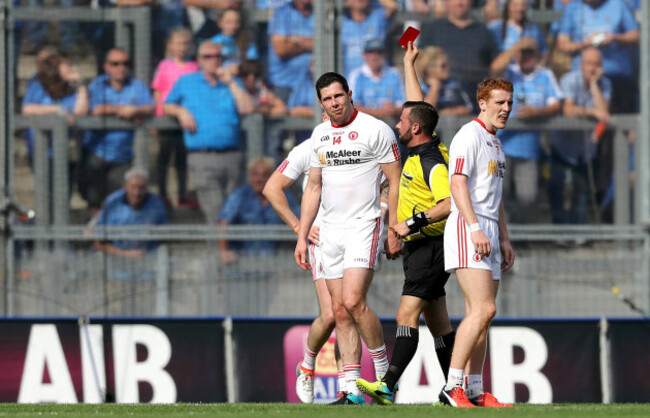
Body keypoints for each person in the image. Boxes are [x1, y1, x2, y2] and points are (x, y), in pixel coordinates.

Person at [356, 41, 456, 405]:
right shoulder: (419, 144)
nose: (396, 124)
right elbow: (417, 108)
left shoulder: (432, 161)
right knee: (439, 323)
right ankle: (457, 389)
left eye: (401, 121)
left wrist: (408, 225)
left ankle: (387, 384)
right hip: (422, 246)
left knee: (406, 313)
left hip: (431, 244)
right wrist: (408, 64)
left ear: (414, 128)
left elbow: (449, 202)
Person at [294, 72, 403, 405]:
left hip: (363, 225)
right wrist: (301, 236)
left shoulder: (376, 130)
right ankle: (352, 389)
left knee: (354, 301)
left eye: (338, 96)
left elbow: (395, 182)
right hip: (329, 232)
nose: (334, 103)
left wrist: (394, 227)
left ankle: (385, 377)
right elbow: (313, 186)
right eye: (327, 99)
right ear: (321, 103)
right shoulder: (320, 135)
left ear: (350, 94)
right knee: (340, 311)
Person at [438, 77, 515, 408]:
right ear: (482, 103)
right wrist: (474, 228)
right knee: (484, 308)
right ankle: (452, 386)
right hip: (469, 227)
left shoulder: (496, 144)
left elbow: (496, 199)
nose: (506, 109)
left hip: (490, 231)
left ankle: (474, 389)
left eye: (509, 103)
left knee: (482, 315)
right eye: (499, 102)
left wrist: (505, 238)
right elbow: (457, 185)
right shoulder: (468, 135)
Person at [262, 127, 344, 403]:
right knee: (333, 313)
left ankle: (348, 388)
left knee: (349, 311)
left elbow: (383, 184)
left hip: (354, 236)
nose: (334, 109)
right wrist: (300, 227)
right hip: (322, 239)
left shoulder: (361, 141)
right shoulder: (307, 149)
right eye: (328, 103)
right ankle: (307, 366)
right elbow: (272, 188)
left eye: (339, 100)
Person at [164, 41, 255, 222]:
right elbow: (166, 105)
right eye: (208, 56)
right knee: (215, 209)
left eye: (218, 57)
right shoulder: (186, 82)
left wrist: (230, 82)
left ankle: (230, 249)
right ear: (199, 60)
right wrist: (180, 111)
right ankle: (217, 250)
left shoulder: (232, 82)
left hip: (232, 155)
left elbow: (247, 108)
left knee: (234, 209)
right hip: (201, 156)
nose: (214, 60)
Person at [493, 41, 562, 221]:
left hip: (529, 149)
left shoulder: (545, 75)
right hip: (501, 147)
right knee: (500, 192)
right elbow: (495, 68)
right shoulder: (510, 72)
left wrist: (537, 112)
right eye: (523, 53)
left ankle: (516, 229)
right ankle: (502, 235)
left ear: (537, 55)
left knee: (528, 196)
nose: (526, 57)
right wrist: (517, 47)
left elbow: (556, 104)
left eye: (530, 53)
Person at [80, 48, 155, 214]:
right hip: (97, 150)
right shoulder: (98, 84)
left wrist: (135, 111)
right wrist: (124, 110)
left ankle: (114, 236)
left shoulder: (136, 85)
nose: (121, 68)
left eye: (125, 63)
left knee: (118, 198)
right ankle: (97, 234)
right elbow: (97, 109)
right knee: (94, 198)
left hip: (123, 153)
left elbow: (150, 107)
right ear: (106, 66)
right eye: (115, 64)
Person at [548, 47, 612, 224]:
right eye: (589, 64)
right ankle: (559, 230)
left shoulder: (605, 84)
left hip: (585, 149)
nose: (592, 68)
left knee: (581, 190)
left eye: (596, 64)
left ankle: (579, 231)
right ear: (581, 64)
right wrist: (592, 111)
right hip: (563, 145)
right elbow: (568, 109)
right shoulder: (569, 80)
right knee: (558, 188)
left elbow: (604, 113)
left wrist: (593, 85)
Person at [556, 0, 639, 114]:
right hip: (584, 81)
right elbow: (562, 44)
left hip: (616, 78)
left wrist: (614, 38)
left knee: (621, 123)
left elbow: (635, 36)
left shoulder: (618, 5)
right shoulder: (573, 8)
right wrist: (584, 44)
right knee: (588, 122)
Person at [419, 0, 499, 110]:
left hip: (475, 104)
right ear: (446, 2)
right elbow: (409, 50)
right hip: (436, 98)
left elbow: (496, 68)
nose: (459, 2)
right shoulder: (431, 28)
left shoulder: (485, 32)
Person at [151, 28, 200, 210]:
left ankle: (183, 195)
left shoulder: (194, 67)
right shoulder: (164, 66)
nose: (182, 47)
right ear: (170, 45)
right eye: (178, 43)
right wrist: (158, 118)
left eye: (185, 44)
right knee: (163, 158)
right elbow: (158, 92)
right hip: (166, 119)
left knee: (182, 159)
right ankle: (162, 195)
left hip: (186, 120)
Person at [218, 156, 299, 263]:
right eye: (255, 174)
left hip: (274, 262)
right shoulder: (240, 195)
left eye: (265, 175)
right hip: (243, 262)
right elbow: (224, 222)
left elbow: (300, 221)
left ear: (272, 176)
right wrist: (224, 252)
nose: (259, 179)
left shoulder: (284, 196)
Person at [93, 167, 169, 258]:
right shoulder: (113, 202)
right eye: (133, 187)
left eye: (141, 188)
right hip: (117, 261)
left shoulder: (157, 203)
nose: (137, 193)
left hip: (148, 260)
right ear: (125, 186)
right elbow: (98, 242)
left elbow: (164, 237)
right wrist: (123, 254)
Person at [267, 0, 314, 104]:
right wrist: (310, 43)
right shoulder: (282, 13)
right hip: (284, 84)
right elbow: (281, 49)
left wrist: (296, 41)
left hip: (310, 84)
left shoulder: (318, 14)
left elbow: (324, 43)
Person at [348, 38, 406, 120]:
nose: (375, 56)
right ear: (364, 55)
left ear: (385, 54)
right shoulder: (357, 75)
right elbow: (351, 106)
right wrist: (379, 112)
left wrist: (393, 109)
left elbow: (405, 103)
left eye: (379, 52)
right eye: (371, 52)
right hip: (365, 123)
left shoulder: (394, 74)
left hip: (392, 122)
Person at [341, 0, 396, 77]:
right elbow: (324, 8)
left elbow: (392, 6)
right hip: (349, 79)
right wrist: (349, 3)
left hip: (379, 78)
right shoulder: (342, 22)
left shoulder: (377, 17)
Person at [487, 0, 550, 67]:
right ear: (508, 6)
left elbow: (545, 53)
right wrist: (519, 46)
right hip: (503, 73)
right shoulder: (495, 28)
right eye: (515, 5)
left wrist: (538, 68)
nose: (520, 8)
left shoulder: (533, 29)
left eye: (523, 5)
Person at [414, 46, 472, 116]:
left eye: (447, 65)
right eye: (443, 66)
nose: (447, 69)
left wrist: (447, 112)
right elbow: (423, 113)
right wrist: (435, 88)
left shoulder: (454, 85)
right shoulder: (420, 88)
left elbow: (467, 108)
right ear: (430, 69)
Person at [209, 7, 259, 75]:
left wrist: (240, 68)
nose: (233, 26)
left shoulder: (247, 41)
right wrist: (226, 69)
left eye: (236, 22)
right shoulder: (212, 43)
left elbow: (253, 64)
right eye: (229, 22)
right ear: (220, 23)